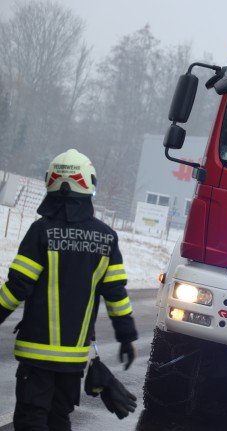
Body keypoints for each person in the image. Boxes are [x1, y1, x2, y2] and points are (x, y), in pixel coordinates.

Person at [0, 149, 138, 430]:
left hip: (36, 356)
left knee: (31, 421)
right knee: (58, 420)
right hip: (73, 361)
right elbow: (116, 295)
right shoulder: (106, 238)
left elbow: (17, 286)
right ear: (88, 185)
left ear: (51, 182)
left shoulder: (42, 231)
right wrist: (126, 336)